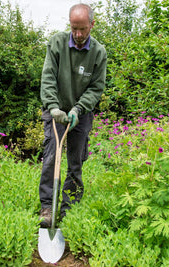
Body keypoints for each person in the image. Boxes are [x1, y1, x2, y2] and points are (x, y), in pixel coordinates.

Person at [39, 3, 107, 228]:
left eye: (83, 29)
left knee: (75, 162)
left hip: (81, 113)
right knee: (51, 158)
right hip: (56, 110)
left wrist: (78, 109)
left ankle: (69, 207)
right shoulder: (57, 43)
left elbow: (96, 88)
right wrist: (53, 107)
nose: (78, 35)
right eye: (74, 28)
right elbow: (48, 77)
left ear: (92, 25)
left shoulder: (98, 52)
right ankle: (48, 207)